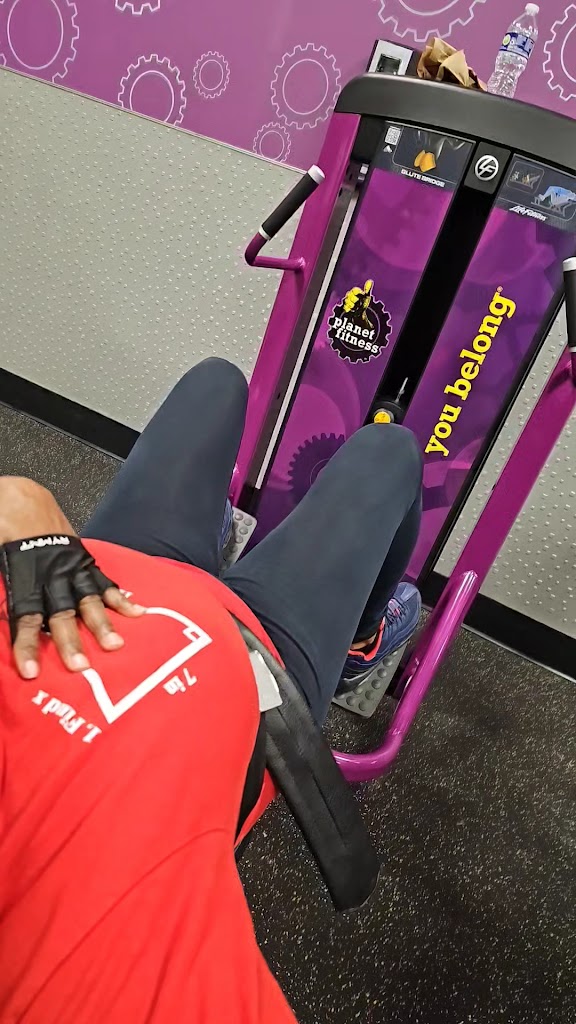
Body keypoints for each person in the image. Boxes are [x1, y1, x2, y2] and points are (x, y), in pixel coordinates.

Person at [0, 357, 423, 1023]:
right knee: (387, 453)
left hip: (96, 578)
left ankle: (207, 539)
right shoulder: (101, 987)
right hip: (257, 664)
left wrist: (17, 501)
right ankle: (360, 643)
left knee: (216, 383)